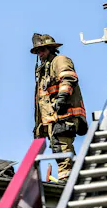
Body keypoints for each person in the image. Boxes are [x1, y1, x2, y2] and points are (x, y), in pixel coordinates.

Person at [31, 33, 87, 182]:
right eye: (37, 52)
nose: (40, 54)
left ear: (50, 48)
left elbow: (68, 78)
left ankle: (68, 179)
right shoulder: (43, 71)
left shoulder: (59, 60)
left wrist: (62, 98)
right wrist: (39, 128)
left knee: (61, 147)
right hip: (55, 119)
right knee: (58, 148)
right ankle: (71, 176)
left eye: (42, 50)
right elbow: (42, 102)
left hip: (65, 115)